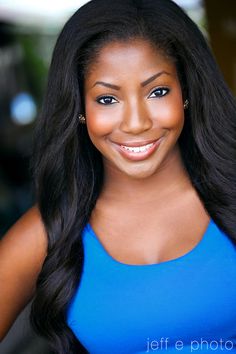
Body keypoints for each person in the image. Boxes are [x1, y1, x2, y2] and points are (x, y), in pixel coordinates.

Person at [1, 0, 236, 353]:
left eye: (157, 91)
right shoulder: (48, 232)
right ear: (79, 108)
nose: (136, 122)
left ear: (186, 92)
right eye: (107, 99)